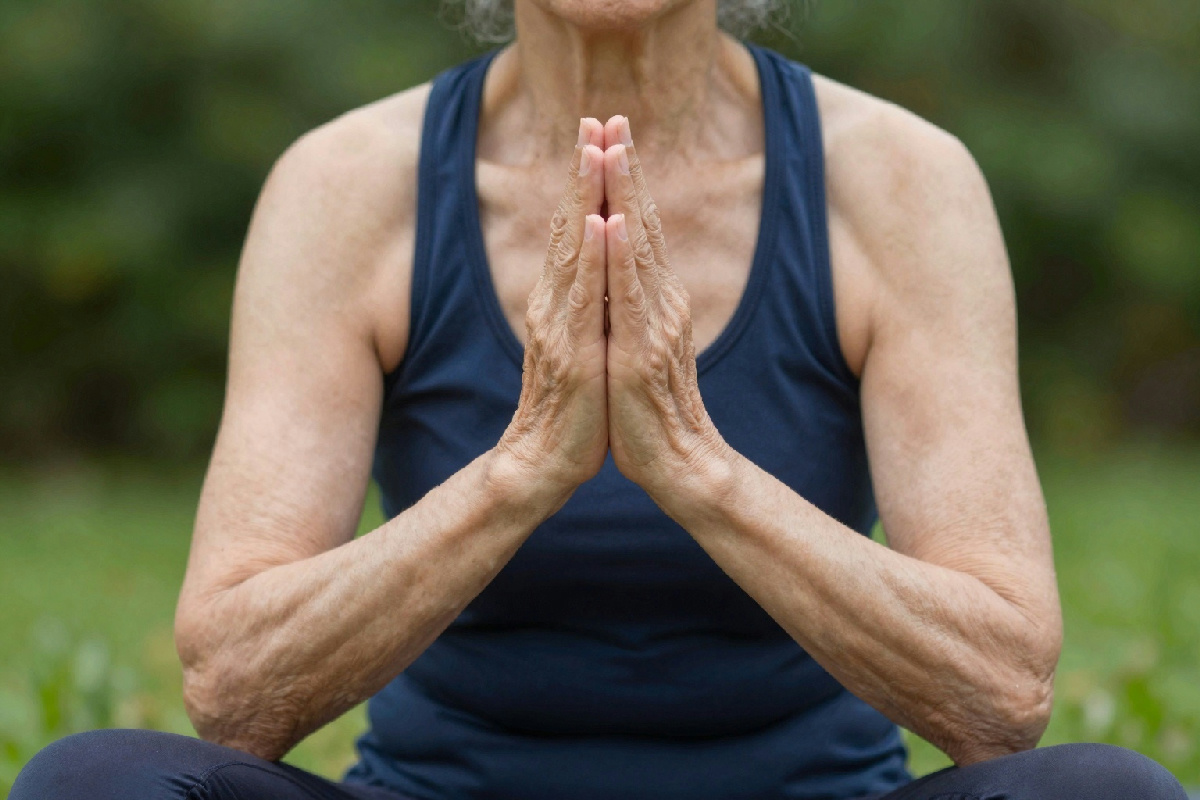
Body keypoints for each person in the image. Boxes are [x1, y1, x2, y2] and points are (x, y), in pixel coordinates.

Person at [12, 1, 1189, 798]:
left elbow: (1002, 693)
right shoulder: (345, 186)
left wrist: (697, 469)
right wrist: (525, 465)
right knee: (93, 782)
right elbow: (233, 685)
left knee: (1104, 790)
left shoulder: (901, 181)